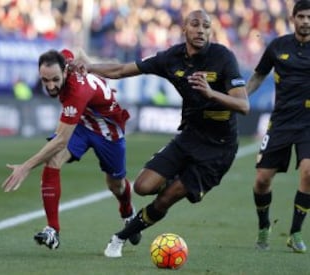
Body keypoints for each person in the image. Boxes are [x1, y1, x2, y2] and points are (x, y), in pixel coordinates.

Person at [73, 9, 249, 257]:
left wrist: (211, 94)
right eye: (195, 24)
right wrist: (89, 68)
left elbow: (244, 106)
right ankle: (171, 178)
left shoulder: (223, 57)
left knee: (166, 198)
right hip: (189, 136)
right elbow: (122, 70)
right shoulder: (171, 58)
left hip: (218, 148)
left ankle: (120, 238)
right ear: (184, 29)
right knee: (143, 187)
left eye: (206, 26)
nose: (201, 30)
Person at [1, 49, 141, 249]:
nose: (51, 86)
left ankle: (127, 212)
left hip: (107, 129)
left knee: (115, 184)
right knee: (53, 159)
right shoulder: (62, 60)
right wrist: (91, 69)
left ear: (65, 72)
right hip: (82, 124)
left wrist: (25, 167)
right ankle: (53, 230)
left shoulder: (77, 91)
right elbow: (78, 53)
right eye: (45, 80)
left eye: (55, 80)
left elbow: (60, 140)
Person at [246, 0, 310, 253]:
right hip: (281, 121)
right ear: (293, 18)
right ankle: (264, 225)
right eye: (302, 16)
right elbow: (259, 75)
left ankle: (295, 232)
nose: (306, 21)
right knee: (262, 180)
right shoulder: (278, 46)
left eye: (309, 17)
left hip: (308, 123)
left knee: (308, 172)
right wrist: (242, 98)